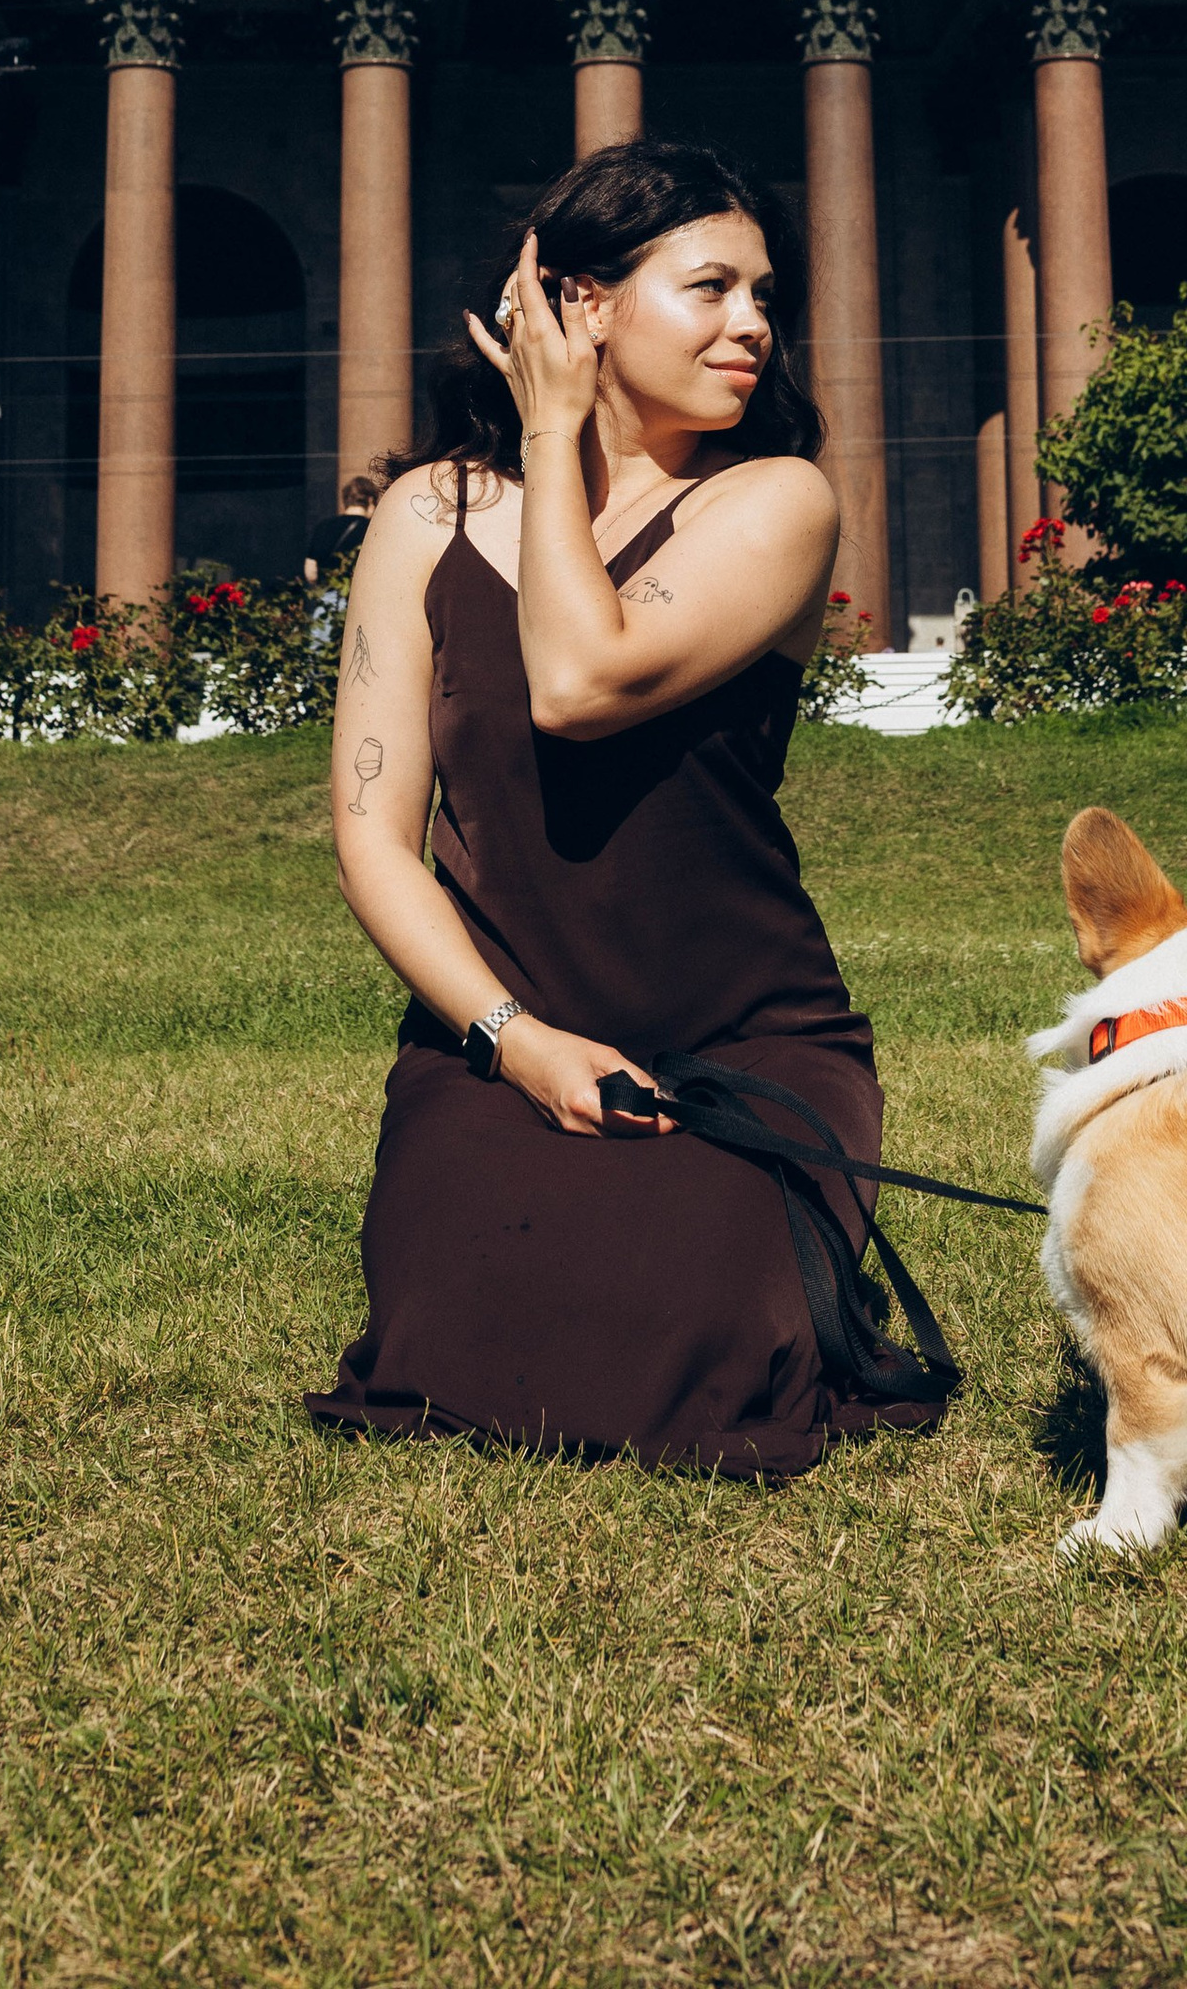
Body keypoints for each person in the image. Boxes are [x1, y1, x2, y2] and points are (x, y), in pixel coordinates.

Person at [308, 141, 939, 1475]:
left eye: (764, 295)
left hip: (745, 1041)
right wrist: (520, 1045)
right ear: (580, 306)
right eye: (710, 287)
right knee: (457, 1343)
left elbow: (579, 681)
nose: (754, 324)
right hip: (500, 1046)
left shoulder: (774, 504)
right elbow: (373, 834)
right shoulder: (425, 515)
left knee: (690, 1357)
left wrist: (550, 432)